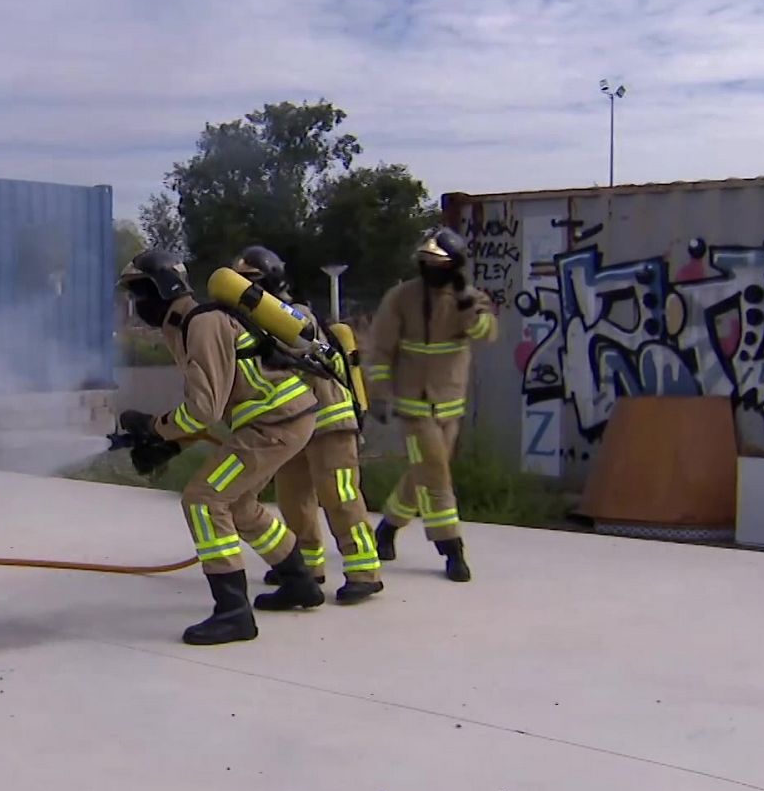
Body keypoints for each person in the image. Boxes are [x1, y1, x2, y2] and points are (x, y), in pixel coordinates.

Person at [115, 247, 326, 645]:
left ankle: (233, 613)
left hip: (273, 427)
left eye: (139, 293)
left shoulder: (203, 324)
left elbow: (203, 412)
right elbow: (212, 405)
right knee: (240, 505)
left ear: (161, 288)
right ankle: (300, 583)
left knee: (203, 498)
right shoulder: (186, 325)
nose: (136, 303)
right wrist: (168, 443)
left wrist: (155, 430)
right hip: (279, 422)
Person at [229, 247, 384, 605]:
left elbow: (289, 349)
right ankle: (307, 565)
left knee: (339, 495)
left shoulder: (294, 316)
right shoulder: (257, 324)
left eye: (250, 284)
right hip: (294, 424)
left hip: (330, 420)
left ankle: (364, 570)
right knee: (293, 498)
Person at [362, 227, 498, 582]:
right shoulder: (401, 298)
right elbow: (378, 349)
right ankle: (452, 549)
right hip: (414, 406)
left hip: (450, 406)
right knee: (437, 477)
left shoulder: (469, 298)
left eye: (436, 262)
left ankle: (388, 528)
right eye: (424, 261)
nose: (429, 267)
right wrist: (377, 392)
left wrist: (470, 310)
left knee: (422, 472)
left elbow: (487, 333)